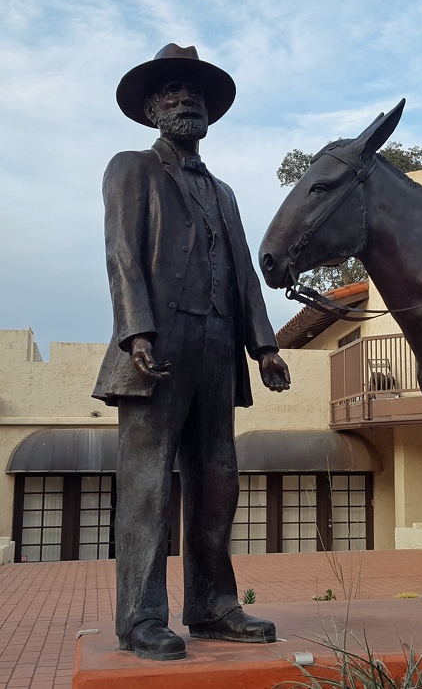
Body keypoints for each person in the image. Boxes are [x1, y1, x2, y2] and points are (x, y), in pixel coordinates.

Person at [93, 44, 291, 661]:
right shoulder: (132, 168)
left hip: (217, 343)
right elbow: (122, 254)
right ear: (153, 109)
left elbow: (242, 275)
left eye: (194, 97)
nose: (186, 104)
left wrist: (264, 346)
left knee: (217, 481)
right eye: (173, 96)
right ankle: (140, 618)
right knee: (148, 483)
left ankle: (212, 606)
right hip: (160, 338)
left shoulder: (224, 191)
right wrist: (137, 332)